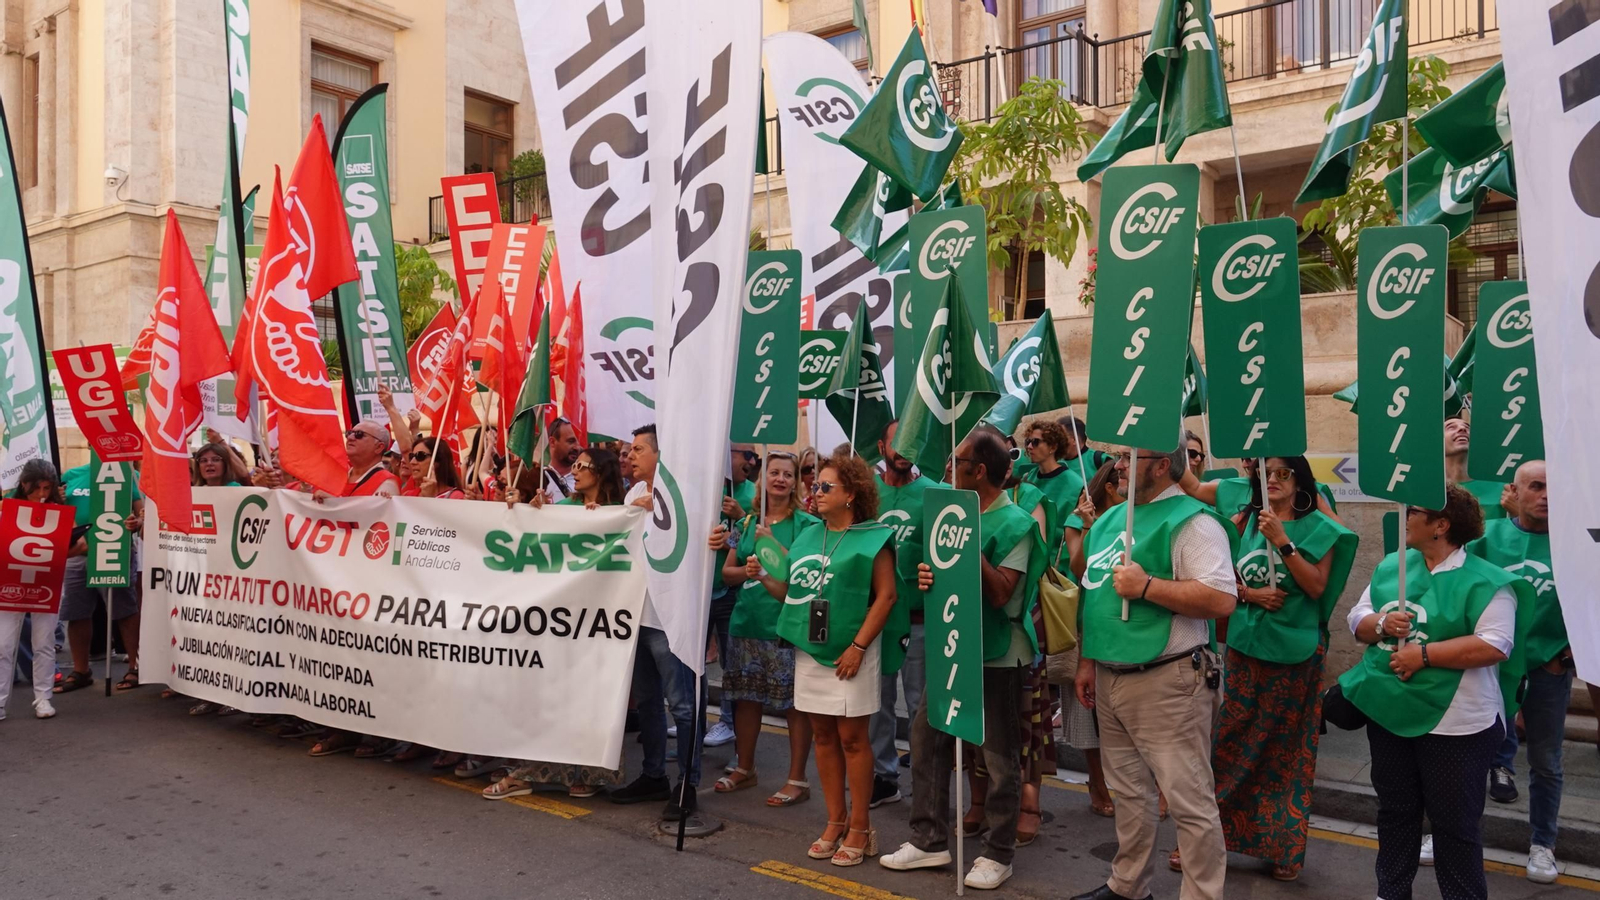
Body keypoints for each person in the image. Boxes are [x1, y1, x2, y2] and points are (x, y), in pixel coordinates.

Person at [1339, 483, 1529, 900]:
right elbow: (1359, 616)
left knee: (1455, 825)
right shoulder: (1394, 565)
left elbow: (1495, 643)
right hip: (1391, 713)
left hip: (1458, 725)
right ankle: (1390, 892)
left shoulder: (1488, 582)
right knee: (1395, 814)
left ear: (1441, 525)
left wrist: (1422, 655)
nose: (1405, 516)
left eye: (1415, 510)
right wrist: (1382, 626)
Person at [1069, 445, 1238, 900]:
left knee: (1189, 802)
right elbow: (1095, 596)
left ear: (1163, 466)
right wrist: (1087, 661)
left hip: (1170, 679)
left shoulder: (1193, 521)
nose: (1118, 466)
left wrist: (1147, 587)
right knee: (1128, 793)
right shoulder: (1108, 520)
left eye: (1131, 458)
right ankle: (1127, 887)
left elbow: (1221, 598)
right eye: (1120, 457)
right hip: (1110, 674)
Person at [1179, 456, 1357, 881]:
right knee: (1229, 744)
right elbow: (1224, 580)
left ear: (1301, 480)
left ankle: (1283, 848)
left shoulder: (1321, 527)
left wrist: (1282, 542)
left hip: (1294, 656)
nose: (1274, 480)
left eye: (1283, 473)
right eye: (1267, 473)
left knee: (1285, 753)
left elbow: (1316, 585)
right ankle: (1208, 843)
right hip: (1244, 647)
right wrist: (1249, 595)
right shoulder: (1243, 521)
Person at [881, 430, 1045, 891]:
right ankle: (929, 840)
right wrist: (934, 574)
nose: (948, 467)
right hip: (953, 644)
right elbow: (942, 578)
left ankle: (999, 852)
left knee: (997, 755)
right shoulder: (950, 514)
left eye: (958, 461)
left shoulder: (1015, 523)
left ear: (980, 471)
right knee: (926, 736)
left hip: (996, 652)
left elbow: (999, 593)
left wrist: (965, 547)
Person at [771, 452, 896, 867]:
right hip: (812, 649)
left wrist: (858, 648)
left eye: (826, 487)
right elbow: (791, 594)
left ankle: (861, 826)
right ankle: (834, 819)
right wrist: (762, 575)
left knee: (853, 739)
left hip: (852, 651)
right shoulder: (808, 535)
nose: (816, 491)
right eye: (816, 485)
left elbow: (887, 597)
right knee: (822, 736)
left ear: (851, 495)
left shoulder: (873, 537)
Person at [482, 456, 630, 801]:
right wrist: (530, 512)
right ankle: (532, 770)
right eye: (574, 466)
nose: (575, 472)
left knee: (594, 699)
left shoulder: (620, 512)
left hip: (599, 621)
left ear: (601, 472)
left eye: (583, 466)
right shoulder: (562, 507)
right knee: (551, 698)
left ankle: (590, 773)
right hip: (558, 623)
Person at [1465, 460, 1570, 883]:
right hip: (1490, 670)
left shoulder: (1577, 546)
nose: (1545, 495)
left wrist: (1568, 656)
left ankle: (1543, 844)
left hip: (1547, 671)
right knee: (1468, 756)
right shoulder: (1486, 539)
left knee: (1546, 762)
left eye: (1553, 488)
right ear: (1516, 491)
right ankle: (1454, 832)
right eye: (1536, 486)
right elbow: (1459, 590)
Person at [703, 451, 818, 807]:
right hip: (746, 622)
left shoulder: (806, 525)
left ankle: (797, 779)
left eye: (788, 474)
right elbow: (728, 573)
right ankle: (745, 767)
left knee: (795, 705)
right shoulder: (747, 523)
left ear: (796, 482)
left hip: (785, 626)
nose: (780, 479)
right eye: (774, 473)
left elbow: (800, 570)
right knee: (746, 700)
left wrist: (772, 546)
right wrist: (749, 571)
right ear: (763, 479)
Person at [609, 424, 706, 824]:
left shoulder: (686, 496)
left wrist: (660, 509)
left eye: (638, 449)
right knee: (647, 700)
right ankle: (653, 775)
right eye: (630, 450)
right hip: (639, 616)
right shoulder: (633, 494)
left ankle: (687, 784)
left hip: (670, 619)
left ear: (660, 455)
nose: (630, 456)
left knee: (682, 705)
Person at [1054, 458, 1125, 821]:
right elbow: (1080, 568)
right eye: (1123, 475)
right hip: (1085, 623)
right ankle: (1096, 783)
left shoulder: (1135, 517)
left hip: (1124, 627)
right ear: (1110, 487)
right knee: (1086, 712)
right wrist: (1089, 526)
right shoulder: (1077, 518)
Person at [869, 420, 934, 809]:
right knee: (876, 705)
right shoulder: (866, 496)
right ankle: (884, 776)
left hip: (919, 621)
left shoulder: (935, 495)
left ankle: (926, 785)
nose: (901, 450)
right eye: (895, 442)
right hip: (876, 619)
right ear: (882, 447)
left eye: (910, 441)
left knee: (919, 707)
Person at [53, 459, 144, 695]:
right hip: (78, 552)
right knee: (76, 611)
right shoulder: (73, 474)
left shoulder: (127, 474)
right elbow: (57, 510)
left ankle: (135, 667)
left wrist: (137, 522)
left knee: (125, 610)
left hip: (115, 549)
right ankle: (81, 671)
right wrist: (58, 500)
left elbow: (140, 512)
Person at [0, 461, 80, 719]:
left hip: (47, 582)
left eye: (47, 487)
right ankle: (0, 701)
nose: (43, 493)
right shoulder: (7, 510)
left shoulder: (59, 511)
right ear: (24, 485)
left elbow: (81, 545)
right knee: (3, 645)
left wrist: (60, 550)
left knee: (44, 643)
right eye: (37, 488)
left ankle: (43, 698)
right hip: (10, 583)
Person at [705, 444, 759, 749]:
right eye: (744, 454)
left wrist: (741, 520)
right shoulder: (708, 488)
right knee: (692, 662)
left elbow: (752, 544)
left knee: (731, 663)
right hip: (700, 591)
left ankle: (727, 722)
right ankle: (697, 722)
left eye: (754, 456)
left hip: (730, 593)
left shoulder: (752, 497)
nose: (751, 461)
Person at [1445, 416, 1509, 520]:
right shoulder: (1428, 490)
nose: (1462, 429)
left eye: (1468, 427)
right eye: (1451, 427)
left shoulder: (1504, 490)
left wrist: (1517, 511)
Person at [540, 417, 581, 503]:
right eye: (571, 441)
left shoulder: (587, 480)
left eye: (578, 442)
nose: (577, 447)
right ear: (552, 442)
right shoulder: (538, 478)